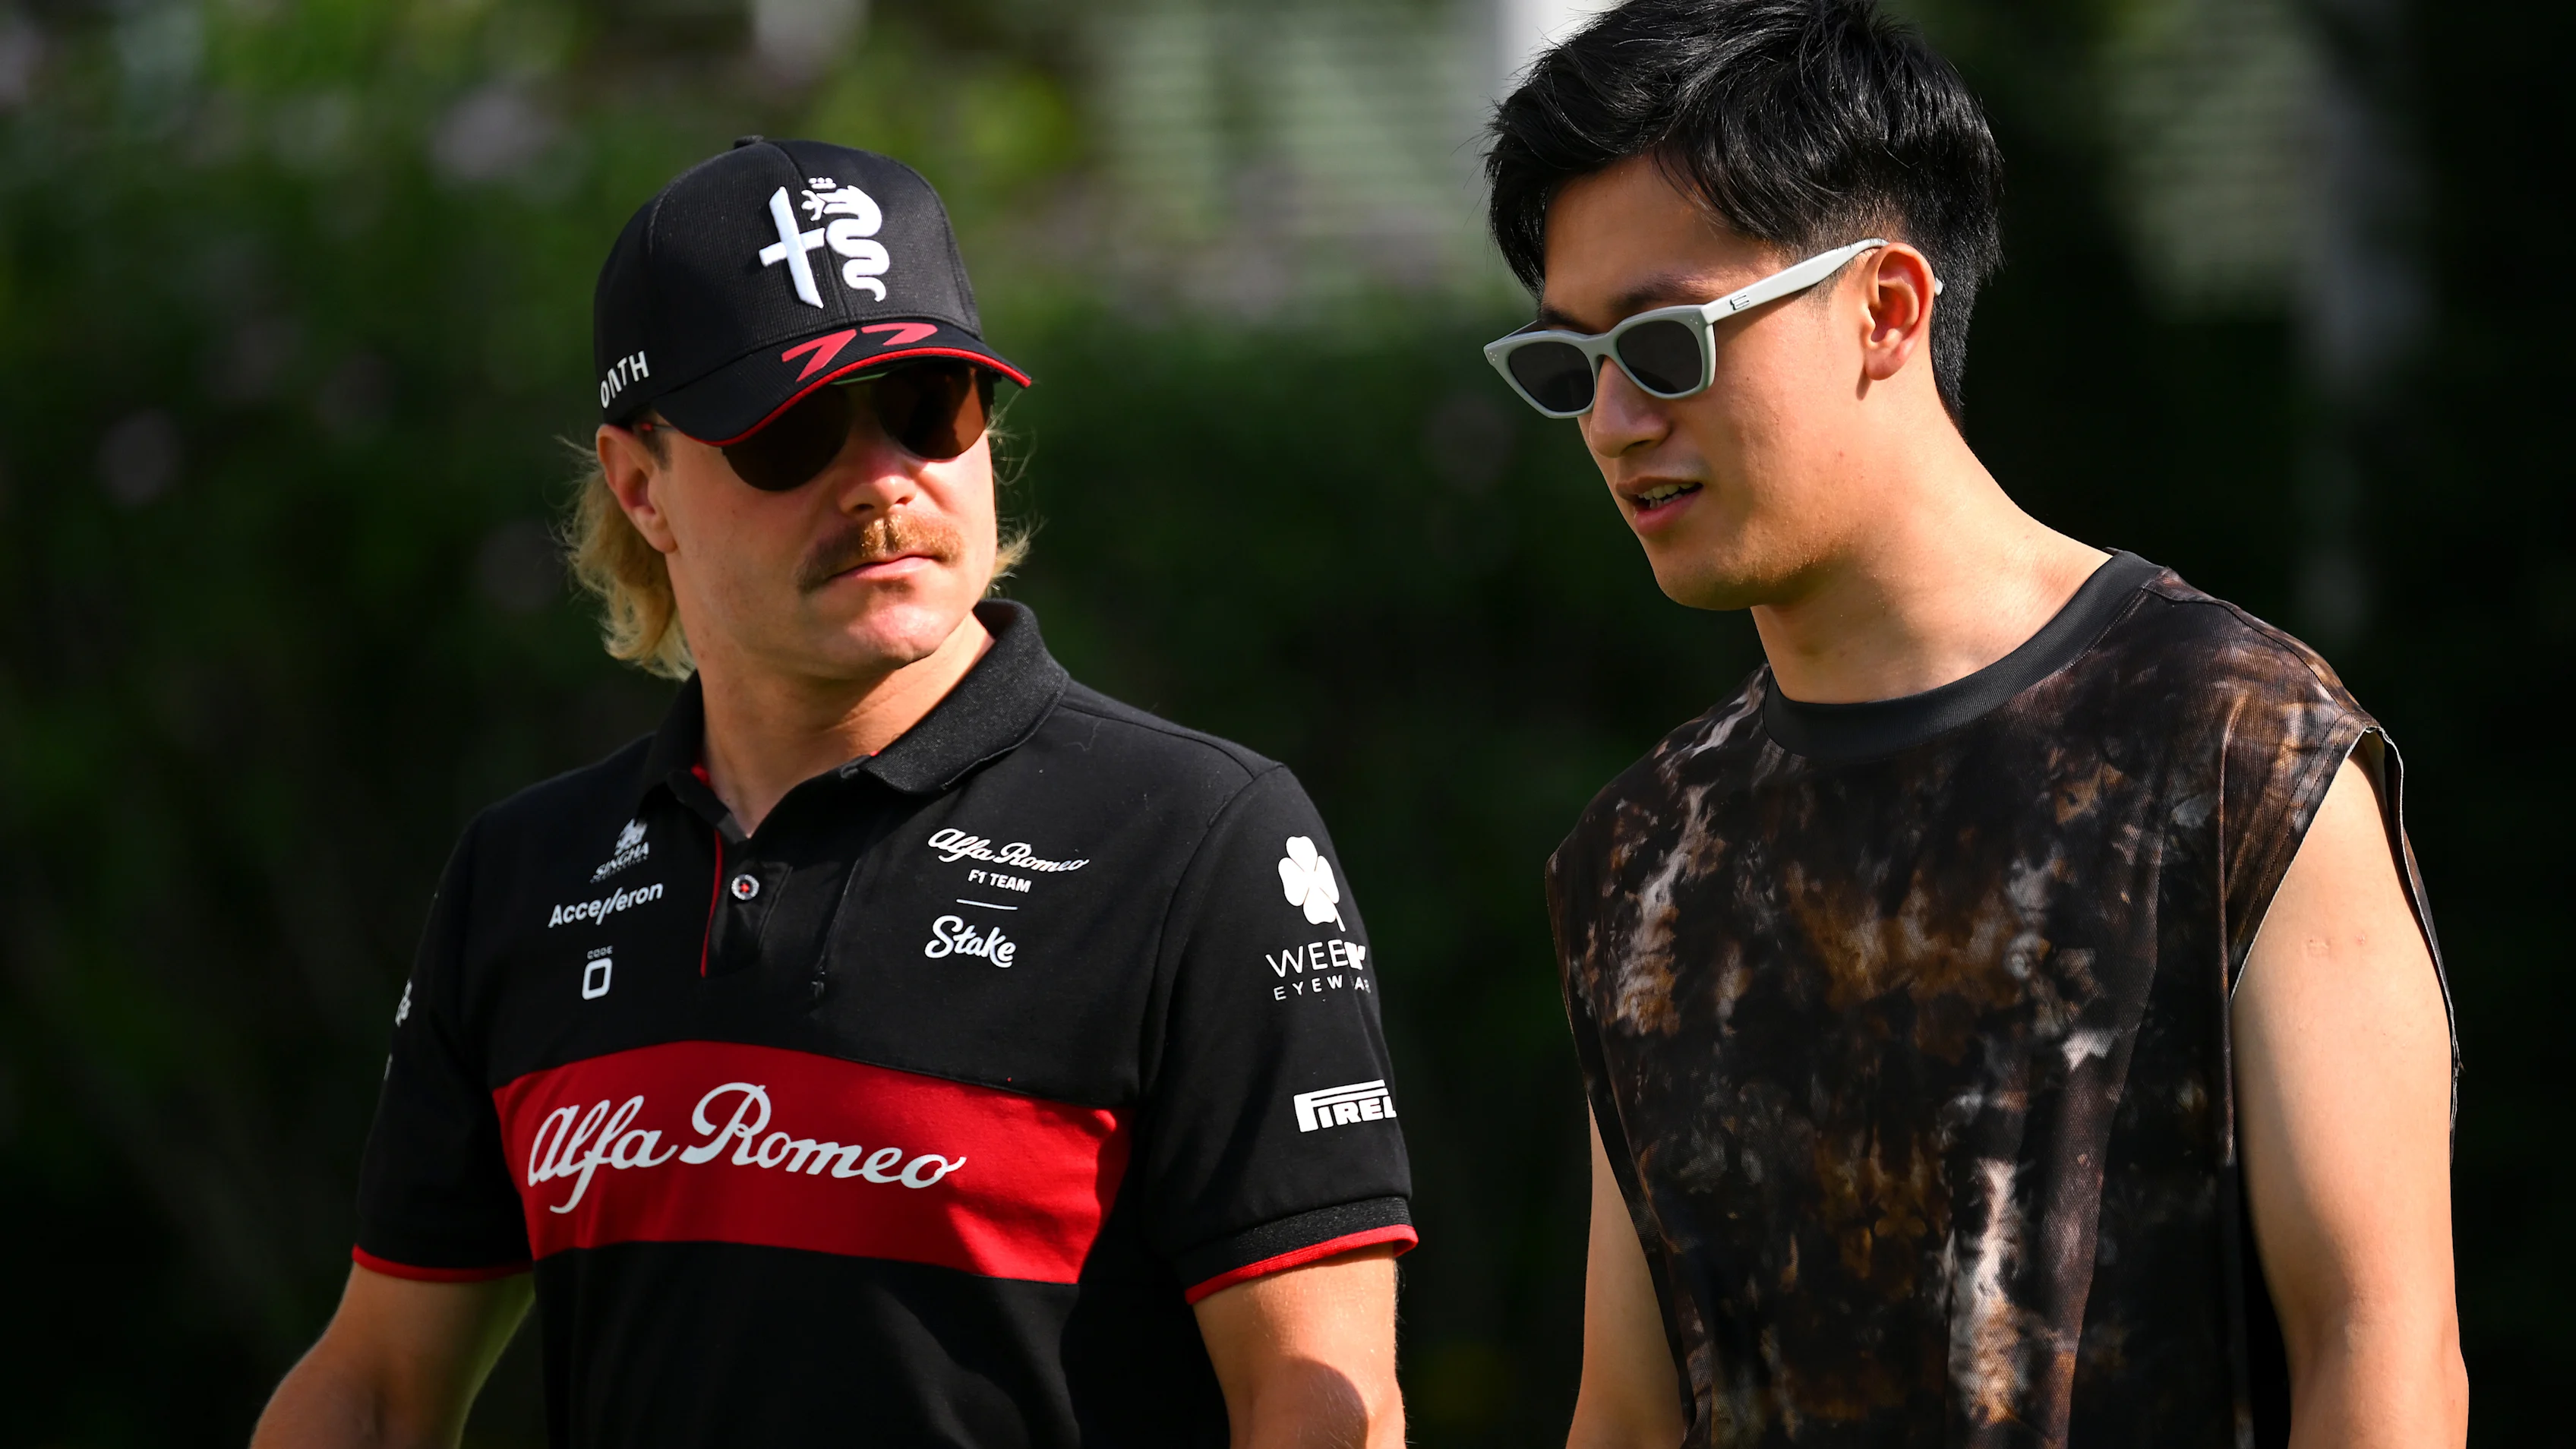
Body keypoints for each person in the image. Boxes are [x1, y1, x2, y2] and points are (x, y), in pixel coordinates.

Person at [252, 137, 1413, 1447]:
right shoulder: (522, 874)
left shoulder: (1205, 842)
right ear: (642, 485)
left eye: (930, 407)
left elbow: (1327, 1403)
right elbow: (380, 1387)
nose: (880, 479)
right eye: (789, 432)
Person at [1480, 3, 2465, 1446]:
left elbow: (2379, 1350)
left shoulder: (2233, 748)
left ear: (1886, 306)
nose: (1615, 422)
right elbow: (1630, 1412)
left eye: (1670, 344)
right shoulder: (1640, 856)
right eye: (1570, 369)